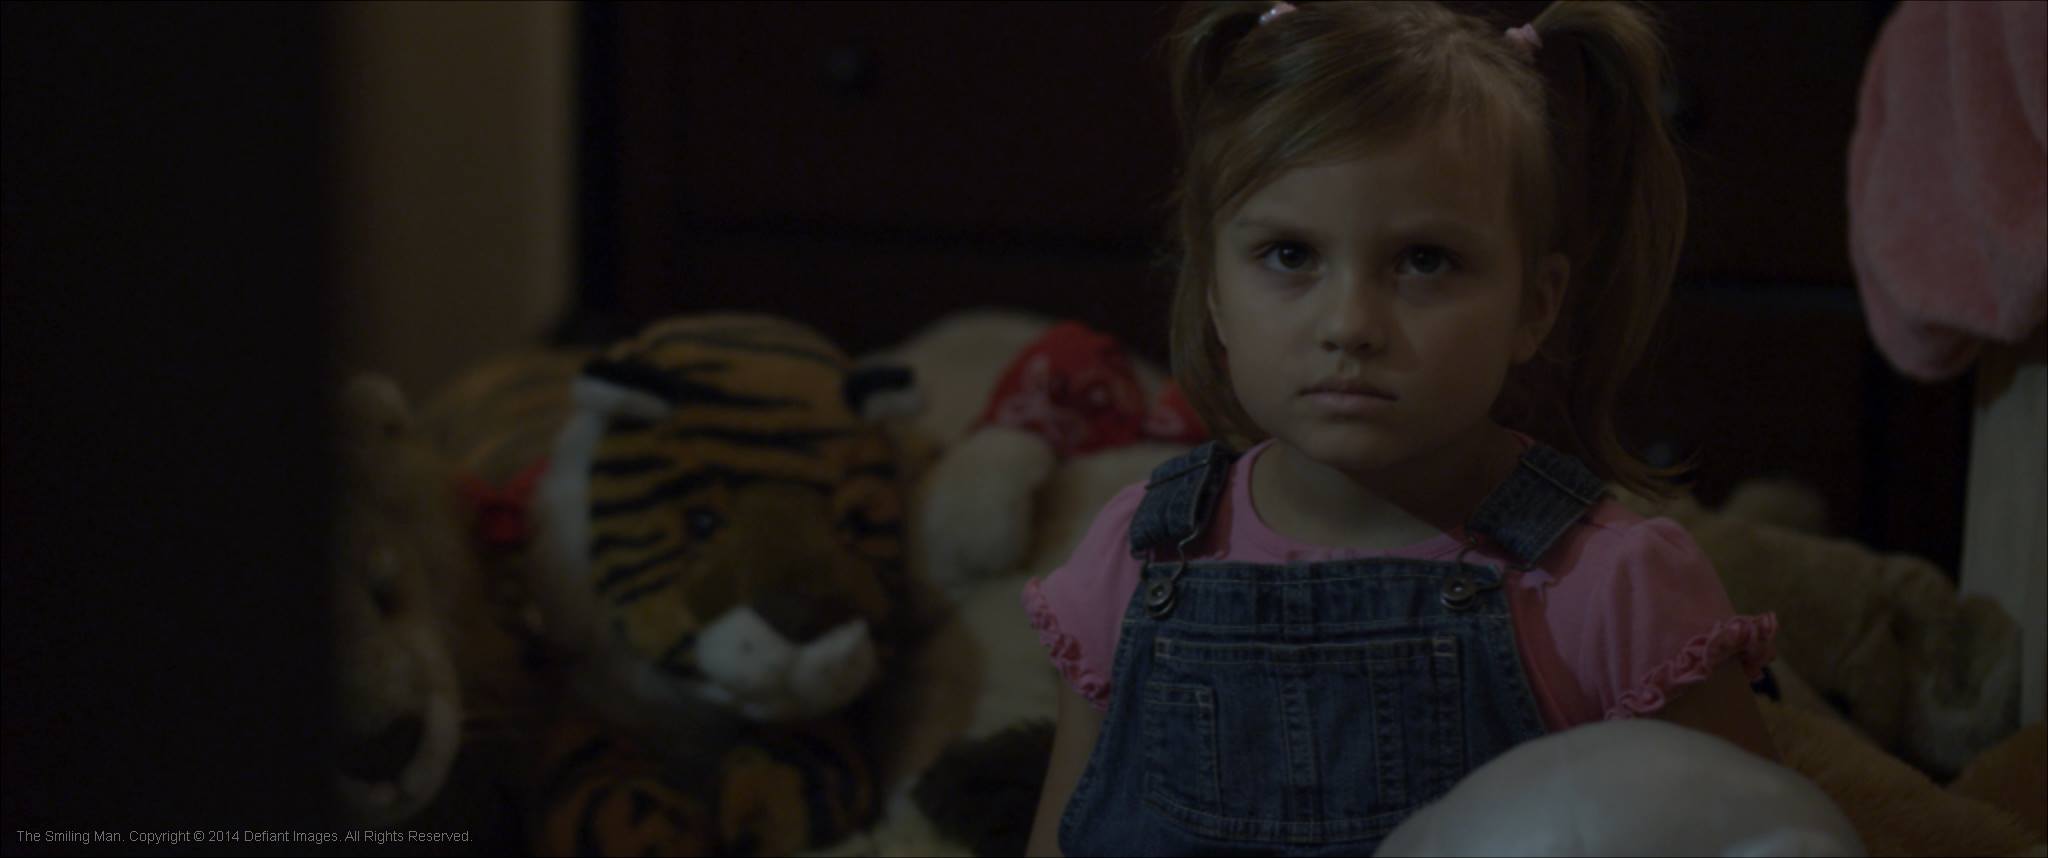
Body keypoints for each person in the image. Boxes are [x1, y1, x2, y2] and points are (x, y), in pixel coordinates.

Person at [1021, 2, 1781, 855]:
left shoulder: (1609, 589)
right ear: (1213, 292)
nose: (1351, 324)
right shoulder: (1139, 556)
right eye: (1290, 255)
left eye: (1425, 261)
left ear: (1534, 306)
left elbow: (1752, 840)